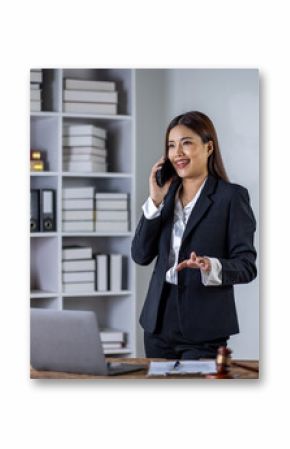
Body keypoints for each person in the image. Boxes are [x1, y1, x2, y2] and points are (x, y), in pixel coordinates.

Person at [131, 111, 257, 360]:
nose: (177, 152)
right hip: (157, 324)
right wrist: (155, 201)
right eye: (171, 145)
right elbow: (140, 255)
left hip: (204, 329)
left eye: (186, 143)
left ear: (208, 147)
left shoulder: (231, 197)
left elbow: (247, 266)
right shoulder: (164, 197)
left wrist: (210, 265)